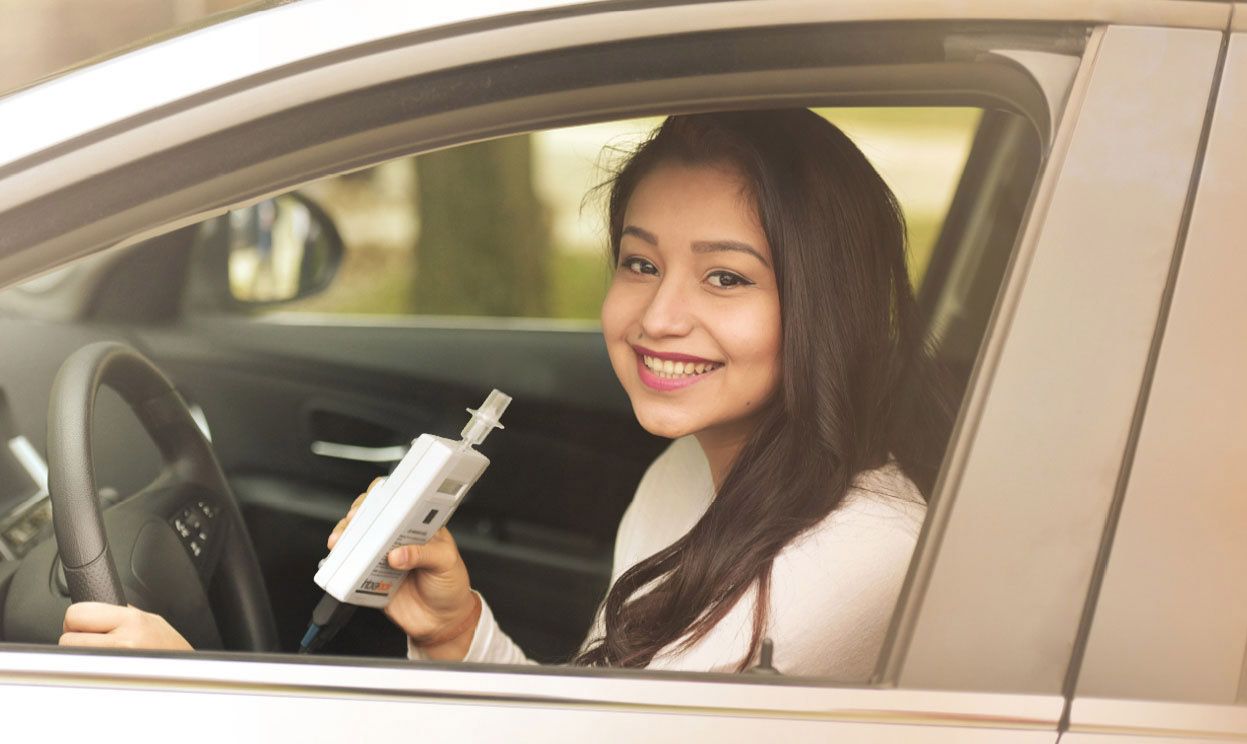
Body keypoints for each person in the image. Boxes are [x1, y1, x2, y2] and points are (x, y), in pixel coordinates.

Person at [58, 109, 953, 678]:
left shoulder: (851, 569)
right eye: (640, 264)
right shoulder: (686, 474)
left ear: (826, 307)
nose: (658, 316)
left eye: (725, 279)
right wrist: (460, 635)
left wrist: (206, 709)